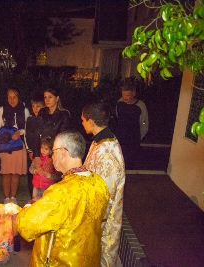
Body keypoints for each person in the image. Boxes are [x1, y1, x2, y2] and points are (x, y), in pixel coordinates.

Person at [15, 131, 109, 266]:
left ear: (63, 152)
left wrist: (29, 206)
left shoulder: (61, 191)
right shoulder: (99, 183)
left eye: (53, 152)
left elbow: (25, 225)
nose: (52, 157)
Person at [82, 102, 126, 267]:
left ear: (91, 121)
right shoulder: (99, 141)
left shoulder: (108, 153)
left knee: (102, 258)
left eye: (83, 120)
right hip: (95, 215)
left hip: (103, 221)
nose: (82, 123)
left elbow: (106, 195)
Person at [0, 87, 30, 204]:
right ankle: (6, 198)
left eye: (14, 97)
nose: (12, 99)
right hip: (5, 146)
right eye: (9, 97)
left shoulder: (25, 111)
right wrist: (7, 134)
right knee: (5, 173)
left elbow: (28, 128)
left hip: (18, 146)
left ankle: (13, 197)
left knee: (15, 173)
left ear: (18, 98)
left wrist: (19, 132)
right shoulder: (1, 110)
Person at [115, 84, 148, 169]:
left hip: (133, 138)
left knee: (130, 162)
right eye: (123, 95)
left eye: (127, 95)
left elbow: (144, 122)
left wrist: (140, 136)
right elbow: (117, 116)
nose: (125, 98)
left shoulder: (140, 105)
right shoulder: (120, 102)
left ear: (133, 94)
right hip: (120, 136)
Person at [24, 92, 45, 197]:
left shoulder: (45, 119)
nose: (35, 109)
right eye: (33, 106)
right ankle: (31, 196)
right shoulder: (30, 119)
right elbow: (26, 136)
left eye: (38, 106)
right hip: (32, 152)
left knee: (43, 173)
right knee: (31, 173)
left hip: (43, 152)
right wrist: (30, 151)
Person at [29, 137, 58, 203]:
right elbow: (31, 169)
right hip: (36, 186)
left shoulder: (54, 160)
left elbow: (57, 176)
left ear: (51, 150)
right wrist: (36, 171)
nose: (43, 150)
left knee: (46, 203)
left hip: (48, 187)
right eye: (42, 148)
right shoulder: (37, 159)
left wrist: (48, 175)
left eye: (46, 149)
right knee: (35, 203)